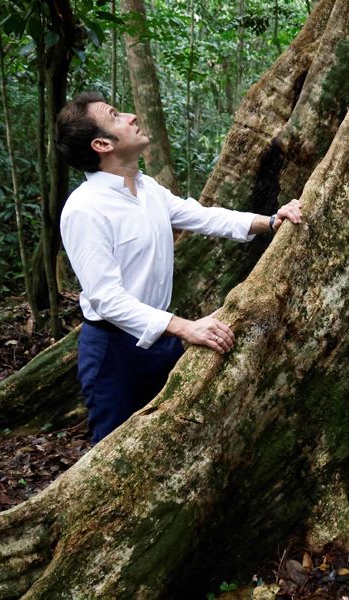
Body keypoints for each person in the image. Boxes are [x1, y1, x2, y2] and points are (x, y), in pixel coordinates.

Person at [54, 91, 302, 442]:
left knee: (170, 437)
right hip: (114, 351)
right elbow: (107, 299)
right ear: (101, 144)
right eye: (115, 116)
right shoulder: (85, 209)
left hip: (162, 339)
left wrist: (272, 220)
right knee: (112, 445)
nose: (131, 116)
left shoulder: (147, 189)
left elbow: (201, 216)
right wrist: (185, 327)